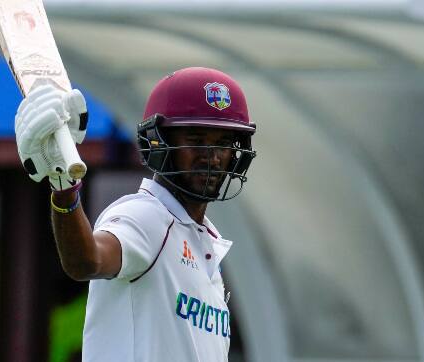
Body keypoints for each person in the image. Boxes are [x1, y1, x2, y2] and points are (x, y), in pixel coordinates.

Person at [14, 67, 256, 361]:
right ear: (158, 142)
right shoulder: (146, 216)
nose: (213, 156)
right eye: (196, 139)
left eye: (223, 144)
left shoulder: (207, 241)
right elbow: (87, 260)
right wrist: (64, 189)